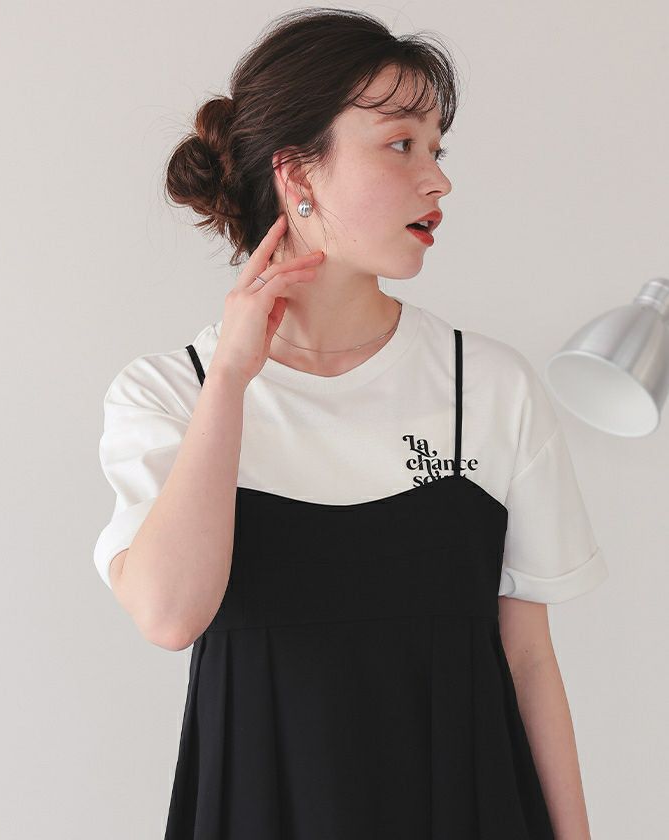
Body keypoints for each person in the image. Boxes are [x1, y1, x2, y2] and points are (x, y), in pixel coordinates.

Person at [93, 8, 609, 839]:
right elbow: (168, 616)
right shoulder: (169, 392)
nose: (437, 181)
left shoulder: (487, 385)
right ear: (297, 173)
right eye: (401, 144)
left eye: (437, 149)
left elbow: (529, 660)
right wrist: (231, 380)